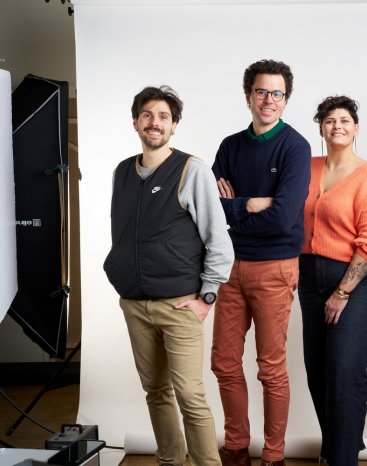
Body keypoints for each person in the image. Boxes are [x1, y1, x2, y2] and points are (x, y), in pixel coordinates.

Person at [103, 85, 234, 466]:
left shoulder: (192, 170)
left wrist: (207, 296)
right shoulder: (122, 172)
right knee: (156, 392)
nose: (154, 122)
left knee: (190, 395)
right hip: (135, 304)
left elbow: (218, 239)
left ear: (174, 125)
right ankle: (170, 462)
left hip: (180, 305)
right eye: (147, 115)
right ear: (135, 122)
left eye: (163, 116)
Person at [210, 59, 311, 466]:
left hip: (275, 267)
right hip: (231, 268)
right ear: (248, 96)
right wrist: (249, 204)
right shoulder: (230, 146)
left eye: (277, 93)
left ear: (286, 100)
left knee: (270, 368)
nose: (268, 100)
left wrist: (233, 209)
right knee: (223, 362)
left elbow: (284, 218)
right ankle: (236, 448)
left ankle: (273, 456)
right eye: (261, 91)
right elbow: (210, 208)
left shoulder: (295, 147)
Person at [298, 95, 367, 466]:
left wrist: (342, 291)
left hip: (358, 283)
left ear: (356, 128)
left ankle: (343, 458)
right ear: (321, 128)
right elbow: (283, 206)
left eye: (344, 120)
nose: (337, 126)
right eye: (329, 120)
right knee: (318, 372)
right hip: (310, 279)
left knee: (344, 371)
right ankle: (336, 447)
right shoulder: (307, 167)